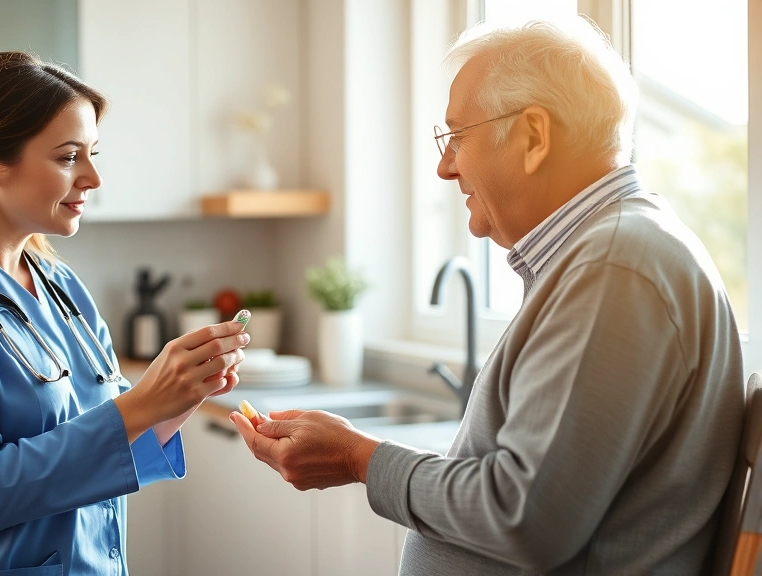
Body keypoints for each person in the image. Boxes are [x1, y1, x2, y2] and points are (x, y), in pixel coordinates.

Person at [231, 16, 744, 575]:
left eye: (457, 136)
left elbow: (522, 516)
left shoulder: (613, 267)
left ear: (534, 136)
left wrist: (360, 457)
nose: (444, 166)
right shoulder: (608, 255)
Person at [0, 51, 248, 575]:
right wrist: (144, 402)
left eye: (92, 155)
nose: (92, 179)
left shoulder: (58, 283)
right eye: (67, 157)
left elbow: (106, 442)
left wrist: (181, 393)